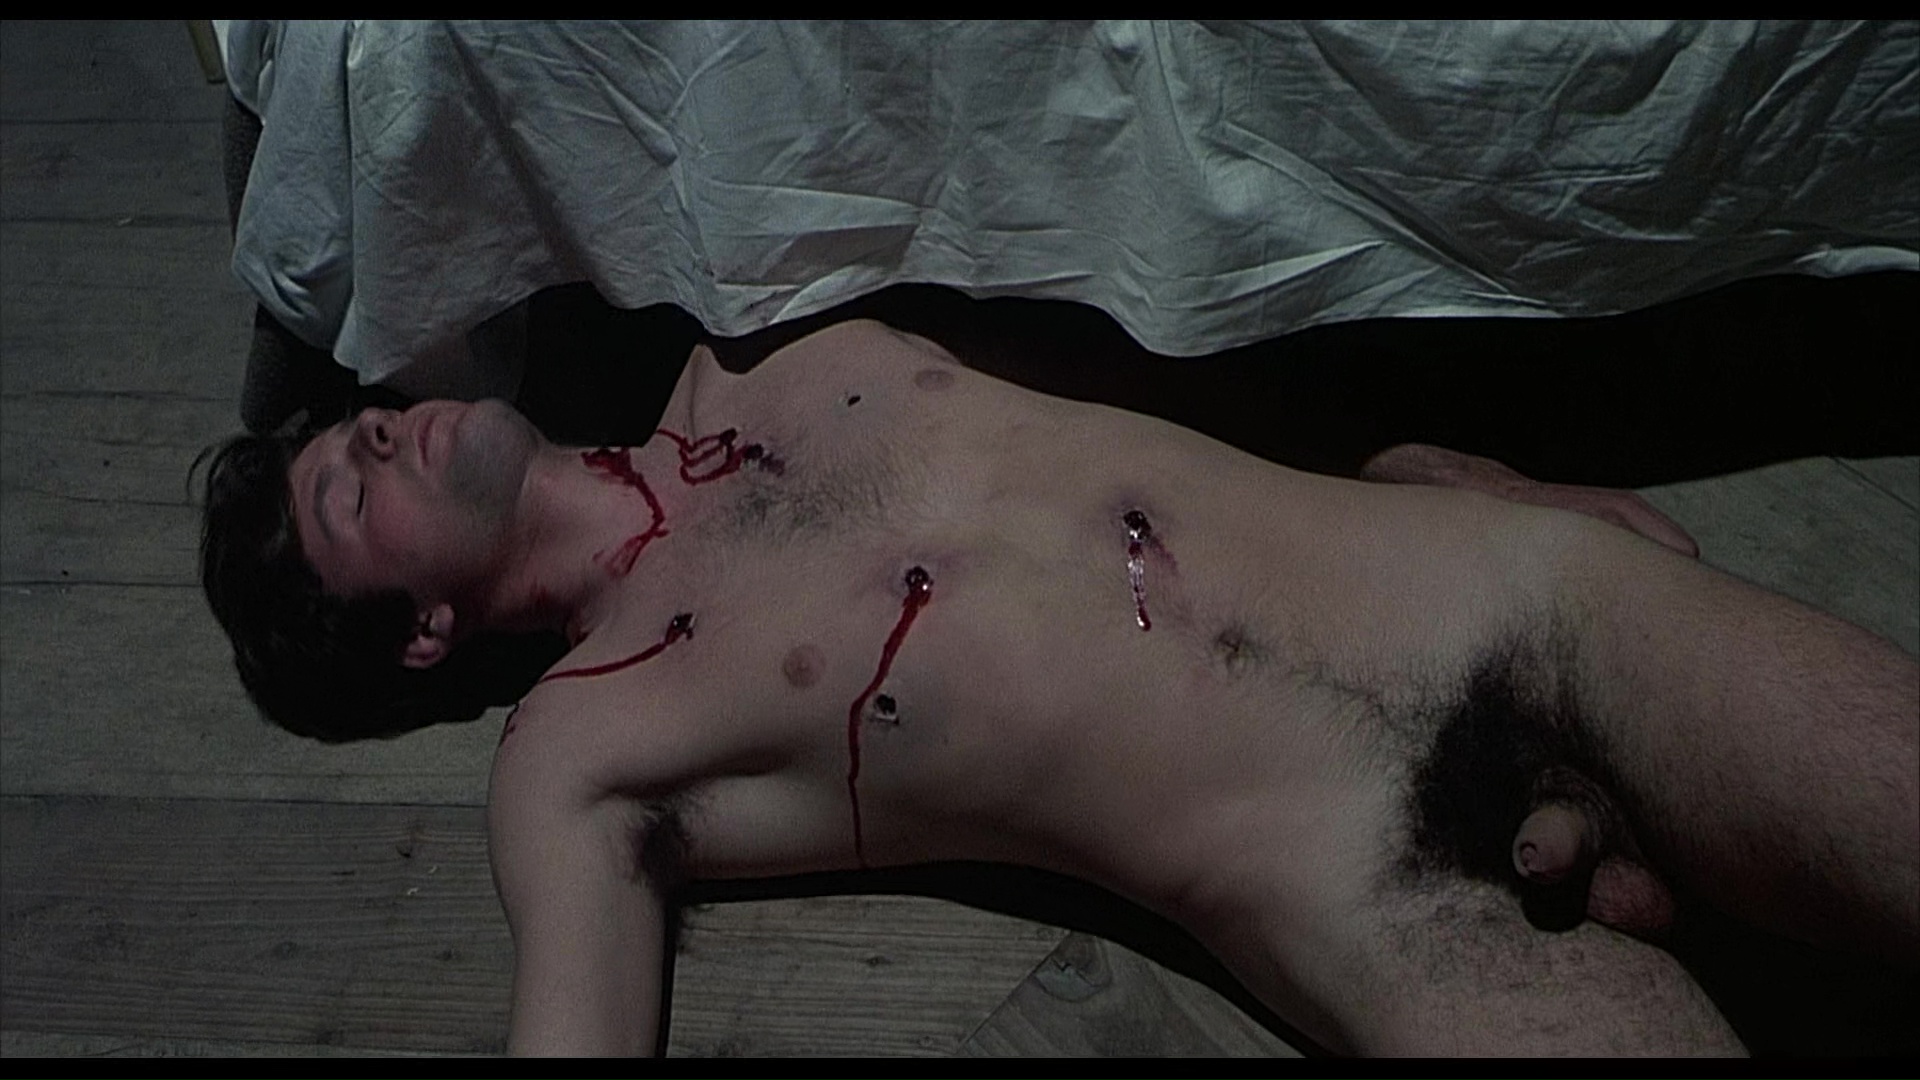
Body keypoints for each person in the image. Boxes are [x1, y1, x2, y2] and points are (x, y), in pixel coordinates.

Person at [199, 320, 1918, 1055]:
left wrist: (1432, 465)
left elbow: (1140, 346)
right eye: (353, 496)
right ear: (419, 633)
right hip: (1375, 897)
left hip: (1519, 609)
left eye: (358, 428)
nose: (381, 434)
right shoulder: (581, 749)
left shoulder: (762, 356)